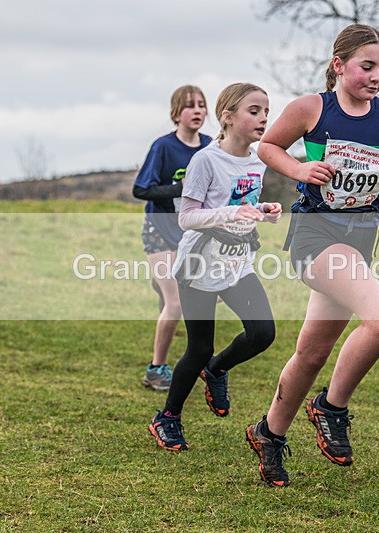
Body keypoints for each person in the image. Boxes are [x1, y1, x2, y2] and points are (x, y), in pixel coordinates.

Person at [245, 23, 379, 487]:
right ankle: (330, 406)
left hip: (361, 237)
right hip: (316, 236)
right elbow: (268, 146)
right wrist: (299, 168)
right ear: (339, 64)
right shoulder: (312, 108)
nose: (376, 77)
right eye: (367, 67)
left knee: (312, 352)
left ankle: (269, 434)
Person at [149, 82, 283, 451]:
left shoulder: (259, 160)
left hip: (237, 262)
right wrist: (232, 212)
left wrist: (263, 211)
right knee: (198, 347)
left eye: (266, 111)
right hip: (198, 265)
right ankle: (167, 418)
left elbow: (242, 204)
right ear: (227, 117)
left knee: (262, 333)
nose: (263, 118)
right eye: (253, 111)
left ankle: (217, 370)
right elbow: (187, 218)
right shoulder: (205, 160)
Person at [133, 85, 212, 391]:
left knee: (208, 296)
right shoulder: (163, 147)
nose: (197, 111)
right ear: (176, 113)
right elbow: (141, 189)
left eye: (202, 105)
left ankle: (202, 362)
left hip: (194, 235)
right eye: (190, 106)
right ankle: (157, 368)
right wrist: (182, 189)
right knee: (176, 303)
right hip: (160, 231)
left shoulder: (211, 147)